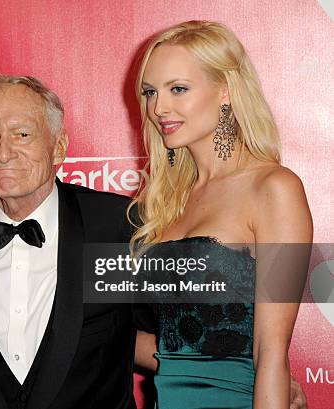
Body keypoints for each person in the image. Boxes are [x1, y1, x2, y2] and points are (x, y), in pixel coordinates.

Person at [0, 75, 156, 409]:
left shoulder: (115, 227)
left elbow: (179, 341)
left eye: (22, 134)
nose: (3, 153)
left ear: (58, 146)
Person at [130, 21, 313, 408]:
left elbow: (271, 354)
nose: (158, 107)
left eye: (178, 88)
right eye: (150, 92)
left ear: (226, 91)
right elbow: (172, 341)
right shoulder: (166, 203)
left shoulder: (273, 189)